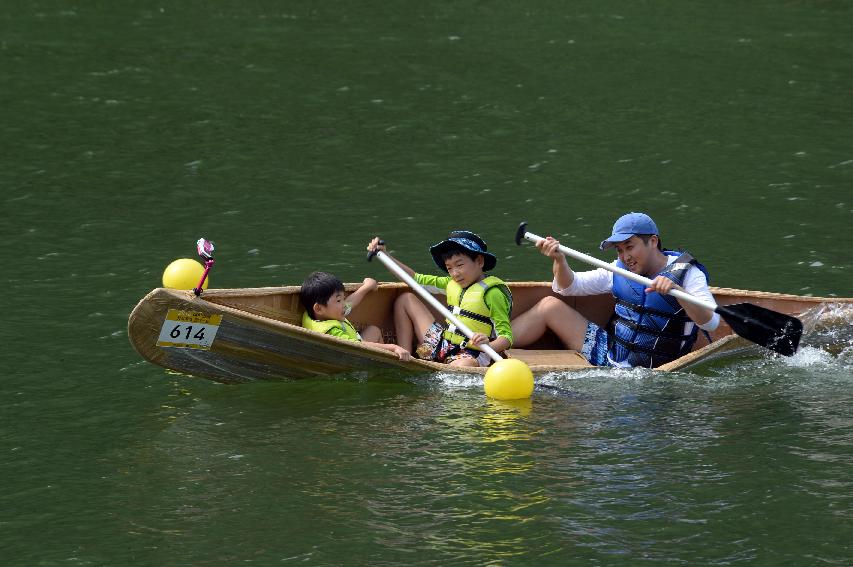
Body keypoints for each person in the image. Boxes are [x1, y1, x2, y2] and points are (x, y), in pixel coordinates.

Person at [511, 212, 720, 368]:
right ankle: (485, 348)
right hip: (610, 356)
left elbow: (711, 323)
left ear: (653, 241)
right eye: (619, 250)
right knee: (550, 306)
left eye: (630, 247)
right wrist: (559, 260)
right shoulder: (617, 269)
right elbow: (569, 286)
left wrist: (679, 291)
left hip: (657, 372)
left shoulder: (688, 274)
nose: (624, 256)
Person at [366, 231, 513, 367]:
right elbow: (414, 279)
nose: (455, 273)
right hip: (442, 342)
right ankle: (406, 357)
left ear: (479, 261)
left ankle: (445, 366)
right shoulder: (451, 283)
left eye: (460, 265)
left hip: (471, 353)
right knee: (406, 299)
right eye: (449, 268)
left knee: (463, 366)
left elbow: (506, 337)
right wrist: (386, 256)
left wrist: (488, 346)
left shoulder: (493, 293)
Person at [300, 271, 411, 361]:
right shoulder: (332, 331)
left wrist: (367, 287)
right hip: (354, 354)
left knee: (374, 330)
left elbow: (350, 303)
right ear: (319, 308)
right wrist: (393, 348)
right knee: (377, 339)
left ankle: (383, 360)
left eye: (343, 298)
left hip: (354, 346)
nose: (344, 304)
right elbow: (360, 346)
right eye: (339, 300)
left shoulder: (316, 314)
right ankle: (384, 363)